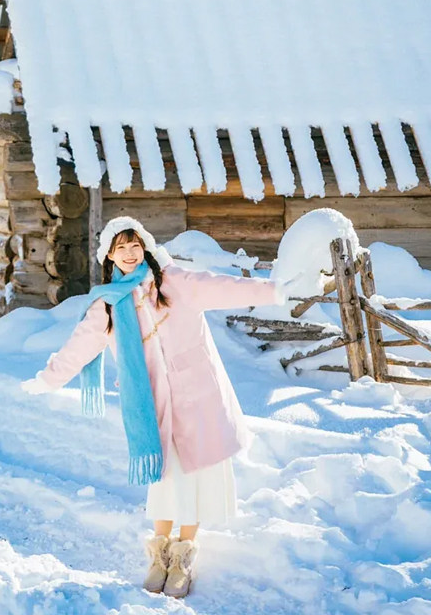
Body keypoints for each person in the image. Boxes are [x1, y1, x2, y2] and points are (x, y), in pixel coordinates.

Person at [21, 216, 290, 598]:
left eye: (135, 246)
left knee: (197, 473)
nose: (130, 255)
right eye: (121, 248)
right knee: (166, 475)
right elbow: (78, 348)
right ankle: (159, 553)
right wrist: (48, 379)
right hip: (154, 404)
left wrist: (276, 291)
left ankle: (184, 553)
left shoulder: (173, 282)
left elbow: (223, 287)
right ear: (110, 257)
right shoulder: (109, 306)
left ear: (144, 248)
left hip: (199, 395)